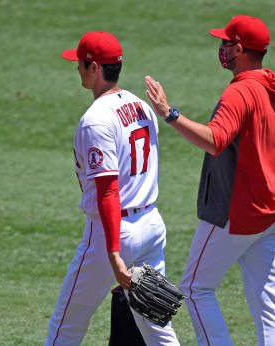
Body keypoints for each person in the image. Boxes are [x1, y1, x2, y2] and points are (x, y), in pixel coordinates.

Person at [145, 15, 275, 346]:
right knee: (267, 303)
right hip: (274, 209)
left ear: (241, 49)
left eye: (227, 43)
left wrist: (169, 113)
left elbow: (215, 140)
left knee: (194, 287)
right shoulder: (274, 87)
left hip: (239, 212)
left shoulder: (240, 92)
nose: (222, 49)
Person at [45, 31, 180, 345]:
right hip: (151, 225)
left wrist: (114, 254)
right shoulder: (142, 106)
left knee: (65, 325)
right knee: (157, 331)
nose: (77, 67)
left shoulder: (95, 120)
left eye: (81, 62)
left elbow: (108, 189)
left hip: (115, 232)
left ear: (95, 69)